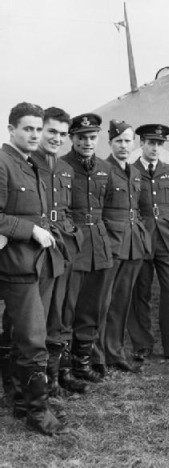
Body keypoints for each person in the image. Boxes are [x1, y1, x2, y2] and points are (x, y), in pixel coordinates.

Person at [0, 102, 67, 435]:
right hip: (16, 266)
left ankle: (24, 402)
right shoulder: (2, 163)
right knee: (32, 339)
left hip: (34, 264)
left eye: (38, 129)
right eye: (28, 128)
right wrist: (32, 231)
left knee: (25, 337)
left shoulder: (28, 163)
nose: (35, 135)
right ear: (11, 129)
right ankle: (37, 413)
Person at [30, 107, 87, 394]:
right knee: (33, 317)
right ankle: (28, 384)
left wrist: (73, 233)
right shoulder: (27, 163)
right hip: (36, 249)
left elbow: (68, 209)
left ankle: (53, 378)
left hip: (62, 248)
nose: (57, 138)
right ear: (40, 130)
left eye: (63, 134)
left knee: (60, 313)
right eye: (52, 131)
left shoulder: (65, 169)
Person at [129, 124, 169, 364]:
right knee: (140, 293)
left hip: (167, 240)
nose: (155, 148)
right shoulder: (131, 171)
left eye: (159, 144)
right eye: (151, 143)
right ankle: (142, 344)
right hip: (142, 239)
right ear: (141, 143)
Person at [61, 113, 115, 383]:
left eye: (92, 137)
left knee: (92, 308)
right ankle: (63, 368)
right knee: (67, 309)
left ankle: (83, 363)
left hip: (100, 247)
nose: (87, 142)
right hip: (75, 247)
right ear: (72, 138)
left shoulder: (106, 168)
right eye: (82, 137)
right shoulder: (62, 167)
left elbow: (110, 207)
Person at [95, 120, 150, 373]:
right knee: (101, 303)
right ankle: (96, 356)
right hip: (111, 244)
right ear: (110, 143)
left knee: (121, 302)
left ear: (134, 143)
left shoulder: (135, 173)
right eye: (118, 141)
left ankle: (115, 353)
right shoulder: (101, 170)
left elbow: (136, 208)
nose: (124, 146)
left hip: (132, 244)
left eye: (128, 141)